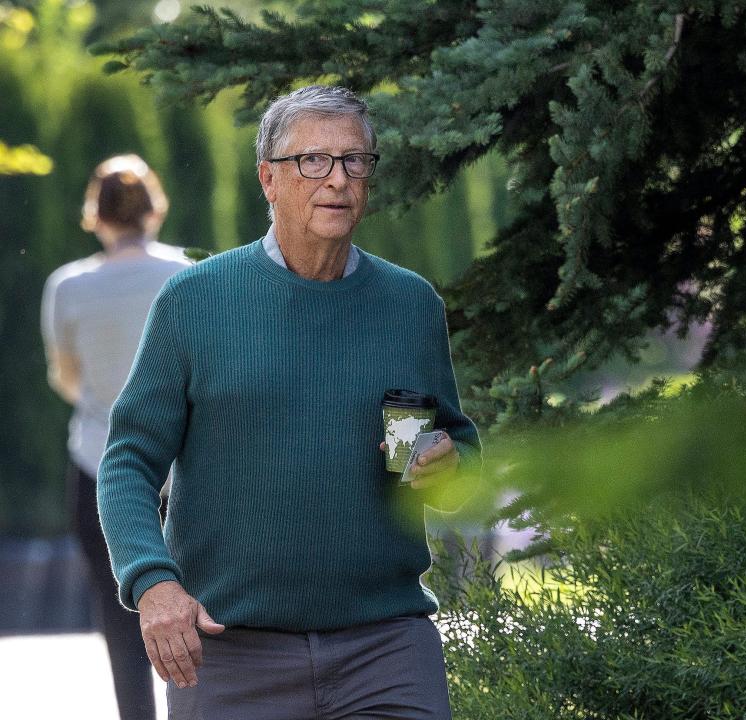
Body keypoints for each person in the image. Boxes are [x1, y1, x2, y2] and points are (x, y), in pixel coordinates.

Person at [97, 85, 482, 719]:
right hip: (231, 653)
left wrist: (450, 462)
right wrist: (154, 582)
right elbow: (128, 461)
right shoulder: (193, 304)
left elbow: (452, 447)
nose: (337, 179)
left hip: (385, 647)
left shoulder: (410, 305)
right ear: (268, 179)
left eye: (355, 160)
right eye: (314, 161)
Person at [41, 154, 191, 720]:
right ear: (154, 209)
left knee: (118, 612)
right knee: (193, 613)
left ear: (94, 214)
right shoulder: (186, 276)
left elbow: (66, 378)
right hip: (181, 472)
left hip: (96, 466)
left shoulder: (68, 286)